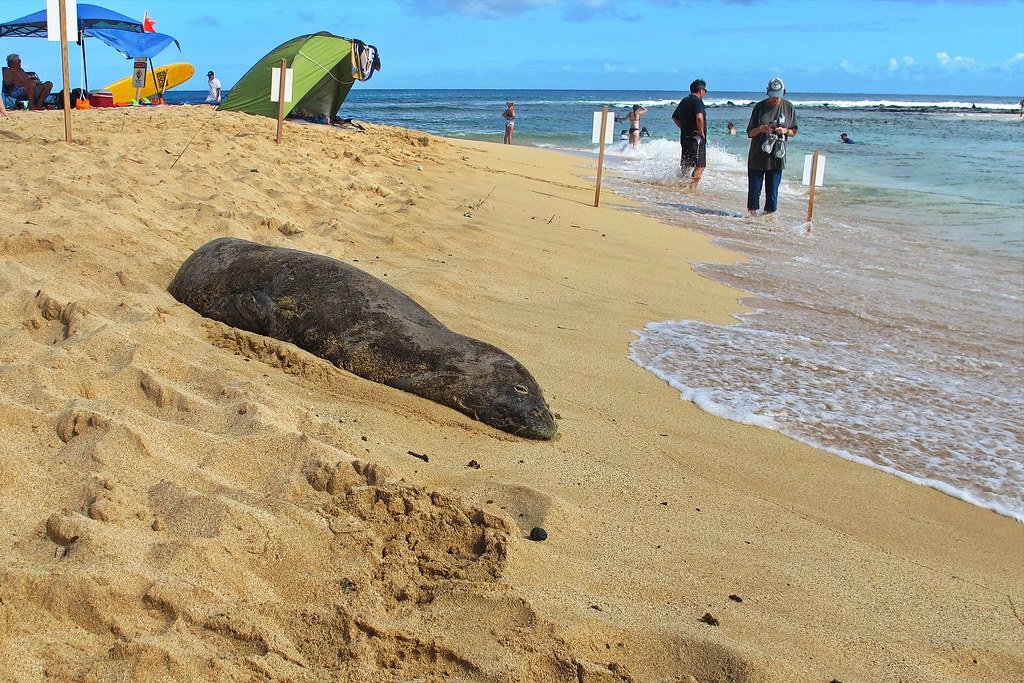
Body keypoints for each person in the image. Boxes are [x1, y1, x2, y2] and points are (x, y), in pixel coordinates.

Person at [746, 77, 798, 218]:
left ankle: (767, 216)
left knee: (773, 191)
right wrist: (761, 129)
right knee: (754, 189)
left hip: (777, 157)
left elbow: (794, 131)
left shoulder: (788, 107)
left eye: (778, 96)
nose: (775, 100)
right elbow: (750, 133)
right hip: (758, 155)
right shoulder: (759, 107)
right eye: (773, 96)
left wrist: (785, 131)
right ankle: (752, 217)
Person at [671, 79, 708, 188]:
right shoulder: (697, 101)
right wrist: (701, 132)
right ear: (701, 90)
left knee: (686, 165)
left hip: (685, 137)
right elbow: (699, 116)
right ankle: (692, 188)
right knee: (700, 165)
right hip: (696, 137)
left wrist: (683, 128)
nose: (705, 93)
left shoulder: (684, 101)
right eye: (705, 90)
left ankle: (679, 185)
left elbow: (674, 117)